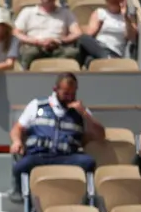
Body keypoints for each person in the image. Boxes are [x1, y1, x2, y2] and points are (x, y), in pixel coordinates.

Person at [9, 72, 105, 201]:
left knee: (88, 162)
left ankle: (86, 199)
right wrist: (16, 141)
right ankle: (21, 194)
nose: (70, 97)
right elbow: (18, 128)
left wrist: (84, 114)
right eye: (66, 94)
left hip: (67, 157)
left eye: (73, 94)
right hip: (39, 155)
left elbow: (100, 135)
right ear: (55, 90)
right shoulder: (37, 105)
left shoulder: (80, 111)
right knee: (20, 166)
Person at [13, 0, 81, 70]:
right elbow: (16, 33)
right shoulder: (27, 12)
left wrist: (60, 41)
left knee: (73, 53)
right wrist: (37, 42)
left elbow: (77, 33)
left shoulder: (66, 13)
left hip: (59, 47)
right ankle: (24, 76)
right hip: (34, 46)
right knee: (29, 53)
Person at [77, 0, 138, 68]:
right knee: (83, 39)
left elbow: (132, 38)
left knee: (90, 60)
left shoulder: (128, 19)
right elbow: (90, 33)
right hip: (99, 46)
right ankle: (106, 58)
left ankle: (107, 58)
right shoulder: (101, 12)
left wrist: (125, 17)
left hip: (115, 52)